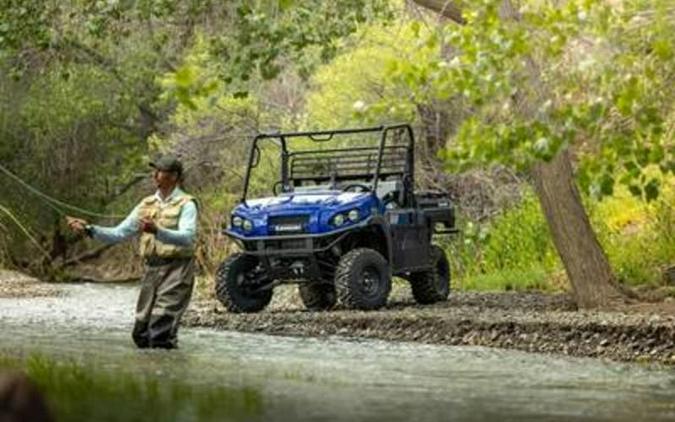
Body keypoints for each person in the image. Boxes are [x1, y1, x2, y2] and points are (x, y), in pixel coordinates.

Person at [66, 155, 198, 349]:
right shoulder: (146, 204)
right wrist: (89, 229)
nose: (154, 175)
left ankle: (167, 376)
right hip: (151, 271)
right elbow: (118, 233)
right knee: (141, 335)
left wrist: (158, 231)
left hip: (177, 271)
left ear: (173, 176)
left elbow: (187, 237)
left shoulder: (187, 204)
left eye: (159, 171)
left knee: (160, 334)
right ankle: (149, 376)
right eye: (155, 170)